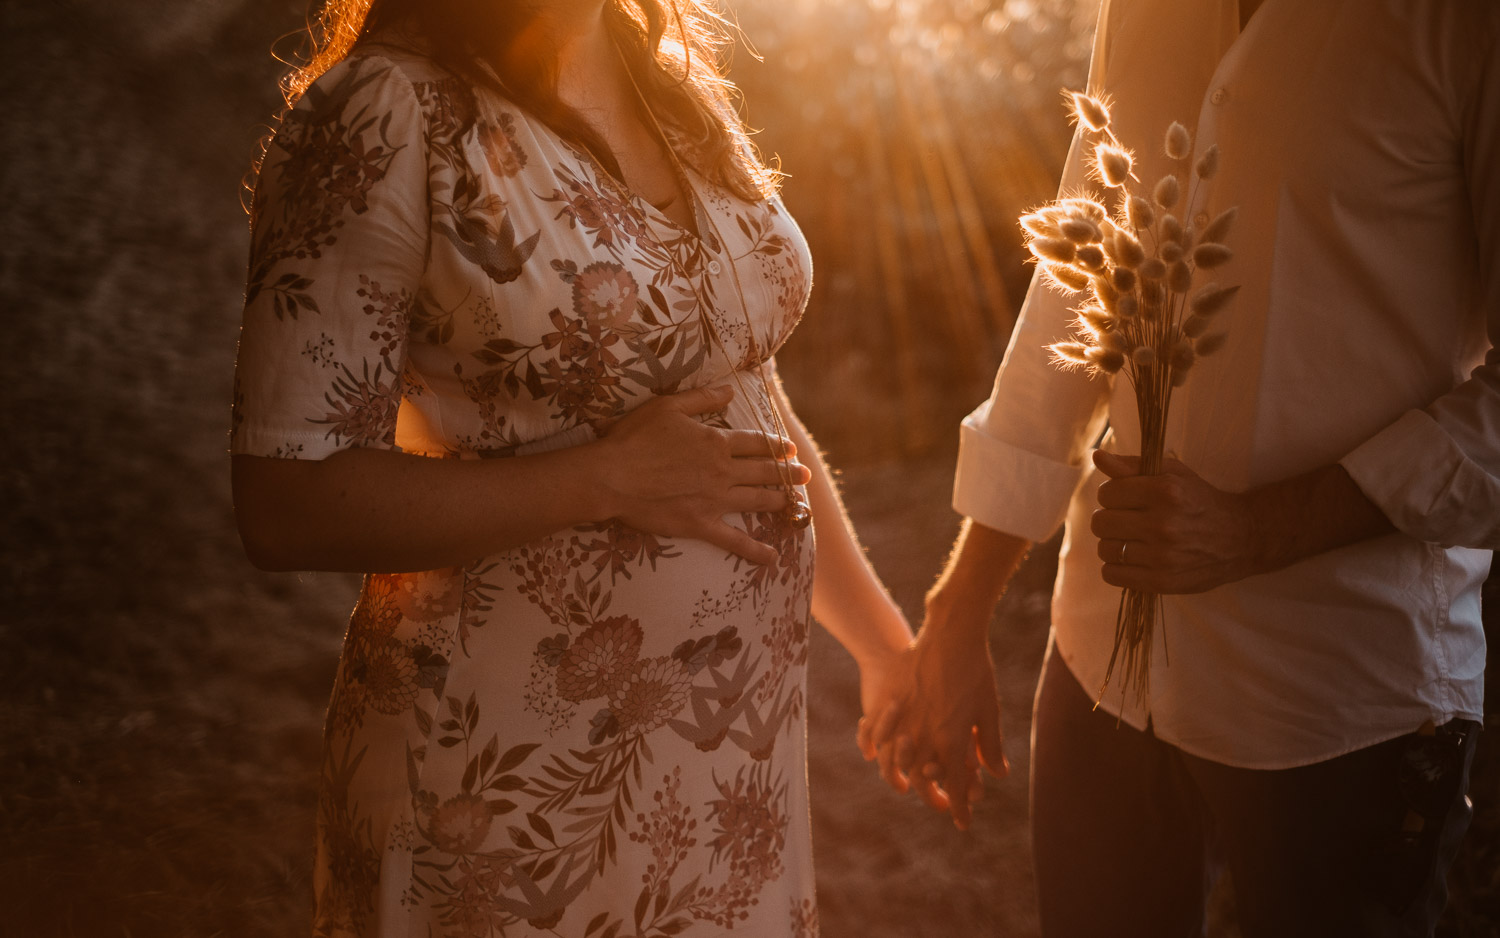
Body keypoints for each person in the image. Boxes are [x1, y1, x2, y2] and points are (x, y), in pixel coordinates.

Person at [228, 1, 913, 934]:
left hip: (719, 790)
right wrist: (603, 480)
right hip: (498, 793)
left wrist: (882, 646)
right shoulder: (383, 113)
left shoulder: (665, 81)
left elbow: (742, 401)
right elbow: (287, 499)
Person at [862, 0, 1498, 935]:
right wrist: (960, 611)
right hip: (1100, 668)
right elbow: (1077, 286)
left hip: (1341, 707)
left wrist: (1261, 529)